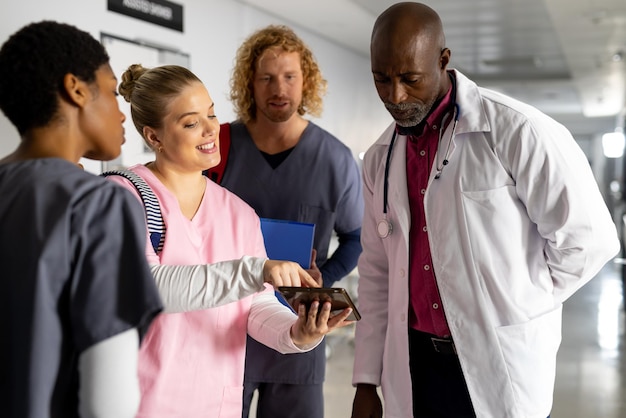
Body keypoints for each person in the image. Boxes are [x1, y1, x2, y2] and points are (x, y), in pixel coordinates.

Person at [351, 3, 620, 418]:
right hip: (414, 362)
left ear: (443, 60)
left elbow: (589, 240)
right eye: (380, 79)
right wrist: (366, 379)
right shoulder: (380, 158)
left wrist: (517, 301)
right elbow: (376, 271)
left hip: (497, 361)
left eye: (410, 78)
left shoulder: (518, 131)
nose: (395, 95)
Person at [107, 62, 353, 417]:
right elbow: (150, 289)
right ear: (154, 136)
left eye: (211, 115)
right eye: (191, 123)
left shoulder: (239, 213)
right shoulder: (124, 195)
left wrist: (297, 334)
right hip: (146, 402)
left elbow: (255, 307)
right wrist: (257, 271)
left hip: (216, 404)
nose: (211, 130)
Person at [0, 21, 163, 417]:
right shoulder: (97, 203)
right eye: (110, 91)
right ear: (75, 89)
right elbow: (107, 400)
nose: (122, 114)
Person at [206, 25, 364, 418]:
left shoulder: (334, 159)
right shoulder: (220, 148)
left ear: (305, 82)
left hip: (300, 328)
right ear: (251, 83)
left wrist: (321, 279)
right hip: (225, 329)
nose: (279, 89)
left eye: (289, 77)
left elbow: (356, 238)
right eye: (267, 78)